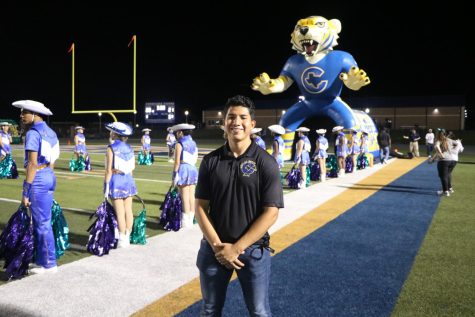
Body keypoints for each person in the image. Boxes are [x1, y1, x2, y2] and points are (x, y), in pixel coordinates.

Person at [195, 95, 284, 316]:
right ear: (224, 123)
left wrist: (236, 248)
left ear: (252, 124)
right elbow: (200, 207)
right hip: (215, 250)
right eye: (231, 117)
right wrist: (218, 246)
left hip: (252, 250)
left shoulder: (266, 162)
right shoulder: (210, 161)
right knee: (209, 309)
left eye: (243, 117)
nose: (236, 122)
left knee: (259, 311)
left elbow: (271, 212)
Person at [12, 100, 60, 274]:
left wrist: (26, 191)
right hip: (49, 175)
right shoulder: (51, 132)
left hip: (38, 177)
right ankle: (42, 260)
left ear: (34, 114)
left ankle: (49, 263)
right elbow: (52, 161)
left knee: (42, 223)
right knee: (43, 221)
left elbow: (32, 165)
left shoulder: (33, 133)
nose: (21, 115)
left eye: (24, 112)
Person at [104, 122, 137, 248]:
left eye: (111, 132)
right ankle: (127, 236)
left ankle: (122, 239)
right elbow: (131, 168)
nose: (110, 133)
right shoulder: (130, 148)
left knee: (120, 212)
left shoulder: (111, 148)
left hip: (116, 180)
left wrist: (106, 187)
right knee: (128, 210)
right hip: (128, 179)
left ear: (115, 134)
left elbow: (108, 170)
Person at [171, 123, 198, 228]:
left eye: (177, 132)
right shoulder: (193, 143)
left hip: (183, 169)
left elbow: (177, 162)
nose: (177, 135)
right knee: (191, 195)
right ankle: (191, 219)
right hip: (193, 169)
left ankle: (185, 222)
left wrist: (174, 175)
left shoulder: (179, 144)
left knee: (184, 197)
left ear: (180, 132)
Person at [432, 130, 463, 196]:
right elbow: (460, 148)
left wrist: (441, 154)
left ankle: (445, 191)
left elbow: (437, 147)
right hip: (454, 160)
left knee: (443, 176)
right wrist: (456, 147)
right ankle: (449, 189)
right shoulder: (450, 140)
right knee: (448, 174)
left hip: (445, 159)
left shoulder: (439, 140)